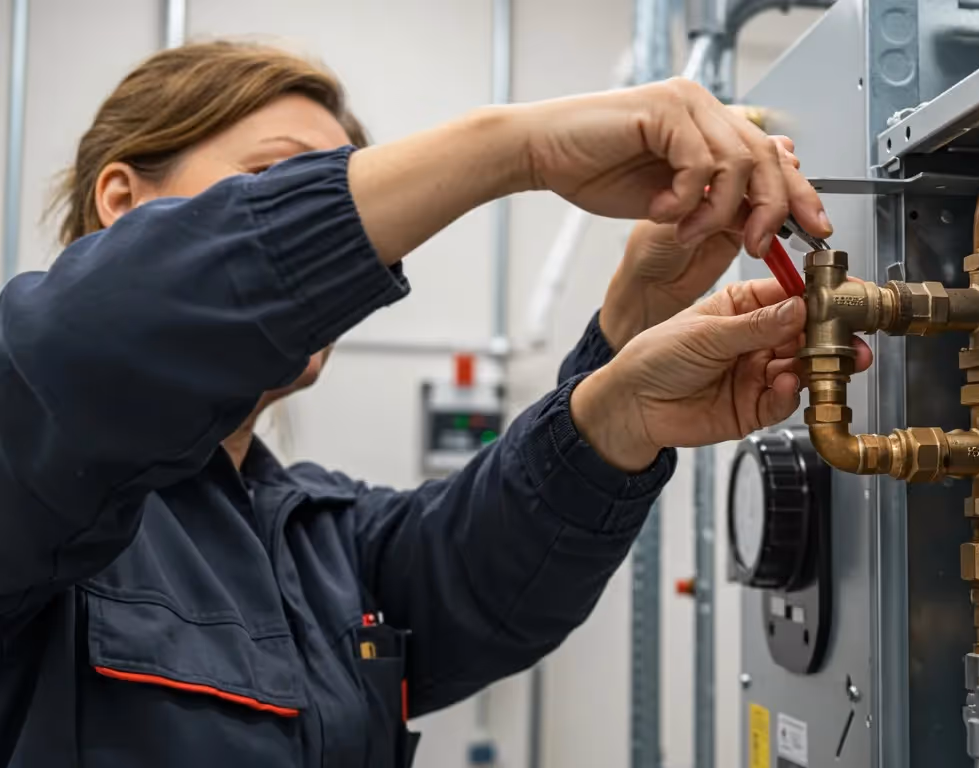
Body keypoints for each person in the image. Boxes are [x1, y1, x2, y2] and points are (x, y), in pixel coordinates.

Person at [0, 42, 869, 767]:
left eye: (328, 190)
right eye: (273, 184)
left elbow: (485, 572)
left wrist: (625, 369)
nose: (318, 250)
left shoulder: (321, 543)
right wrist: (513, 149)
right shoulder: (38, 491)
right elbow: (74, 357)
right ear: (121, 203)